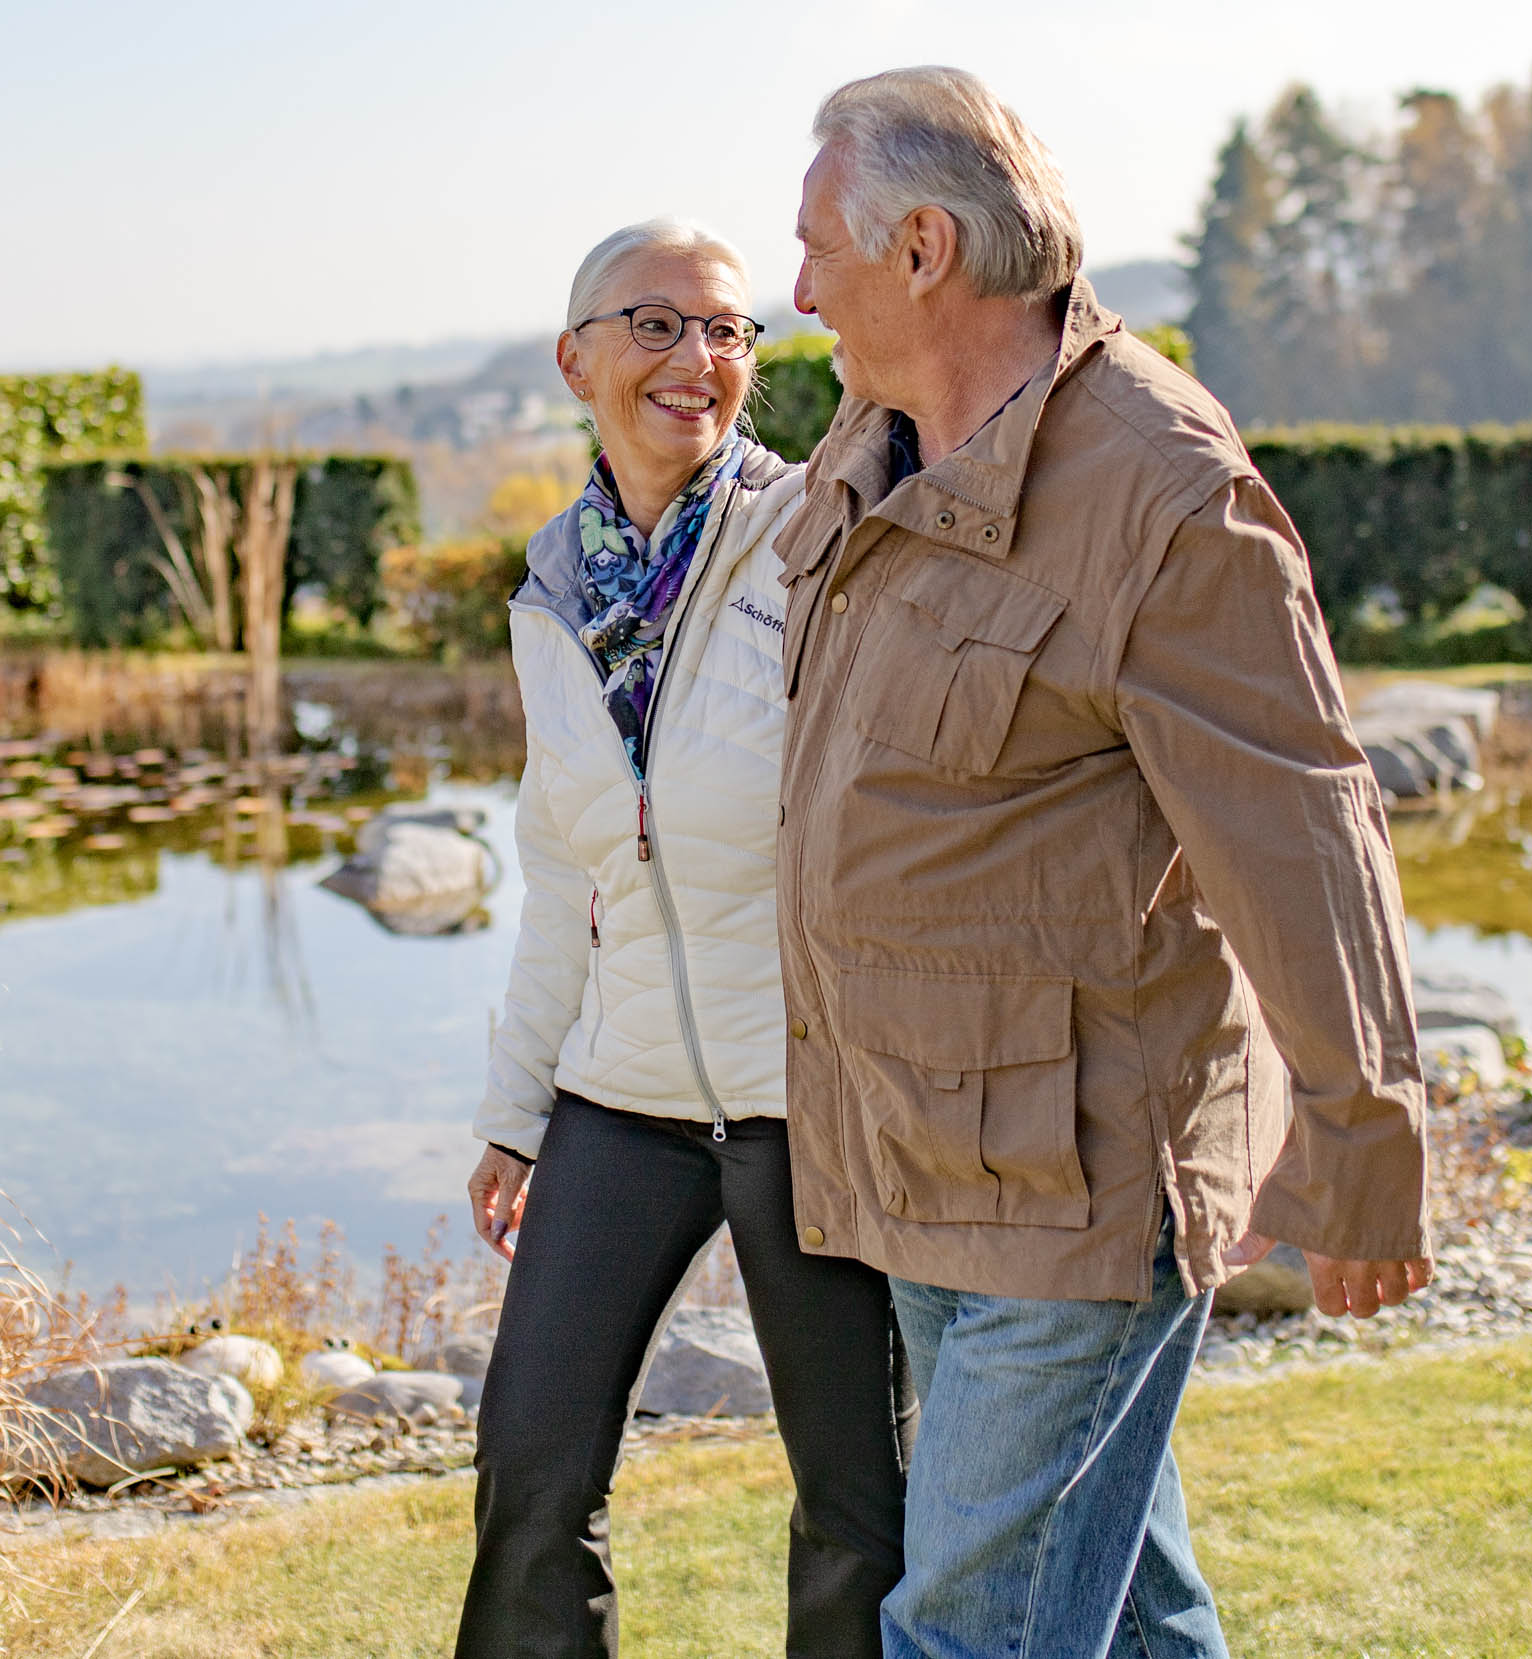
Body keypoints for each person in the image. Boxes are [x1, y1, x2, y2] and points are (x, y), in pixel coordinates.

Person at [773, 68, 1434, 1659]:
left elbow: (1305, 835)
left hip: (1078, 1181)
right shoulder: (879, 436)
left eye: (817, 251)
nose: (798, 293)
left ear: (923, 247)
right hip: (926, 1150)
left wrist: (1364, 1151)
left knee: (969, 1629)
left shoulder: (1163, 488)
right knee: (1131, 1607)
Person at [454, 219, 908, 1659]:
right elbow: (562, 873)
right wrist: (517, 1112)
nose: (696, 359)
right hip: (620, 1102)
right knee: (529, 1476)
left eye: (726, 329)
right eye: (654, 325)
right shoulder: (553, 594)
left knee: (860, 1506)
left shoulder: (816, 537)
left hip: (810, 1105)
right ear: (575, 356)